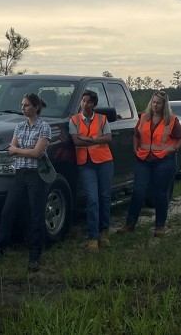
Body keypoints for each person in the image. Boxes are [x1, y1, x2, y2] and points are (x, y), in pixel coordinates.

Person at [0, 93, 51, 272]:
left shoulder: (44, 127)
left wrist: (19, 150)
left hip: (36, 174)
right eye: (22, 105)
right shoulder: (19, 127)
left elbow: (37, 153)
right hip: (20, 173)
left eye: (26, 105)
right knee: (8, 210)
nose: (23, 108)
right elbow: (11, 150)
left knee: (36, 213)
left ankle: (35, 255)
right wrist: (20, 150)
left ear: (36, 107)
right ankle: (0, 247)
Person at [119, 91, 181, 236]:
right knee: (138, 191)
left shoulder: (171, 121)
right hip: (144, 160)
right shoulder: (143, 117)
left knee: (160, 194)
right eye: (154, 102)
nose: (155, 105)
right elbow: (136, 135)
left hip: (164, 161)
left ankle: (159, 227)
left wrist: (174, 148)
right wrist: (135, 149)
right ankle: (130, 224)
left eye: (159, 103)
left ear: (164, 105)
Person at [69, 90, 113, 250]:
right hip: (86, 163)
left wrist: (90, 138)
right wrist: (96, 140)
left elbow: (108, 137)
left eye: (88, 101)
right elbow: (76, 142)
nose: (85, 104)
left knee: (105, 197)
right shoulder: (73, 120)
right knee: (92, 198)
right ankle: (93, 236)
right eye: (83, 101)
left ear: (94, 104)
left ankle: (104, 232)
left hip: (104, 161)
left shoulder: (102, 119)